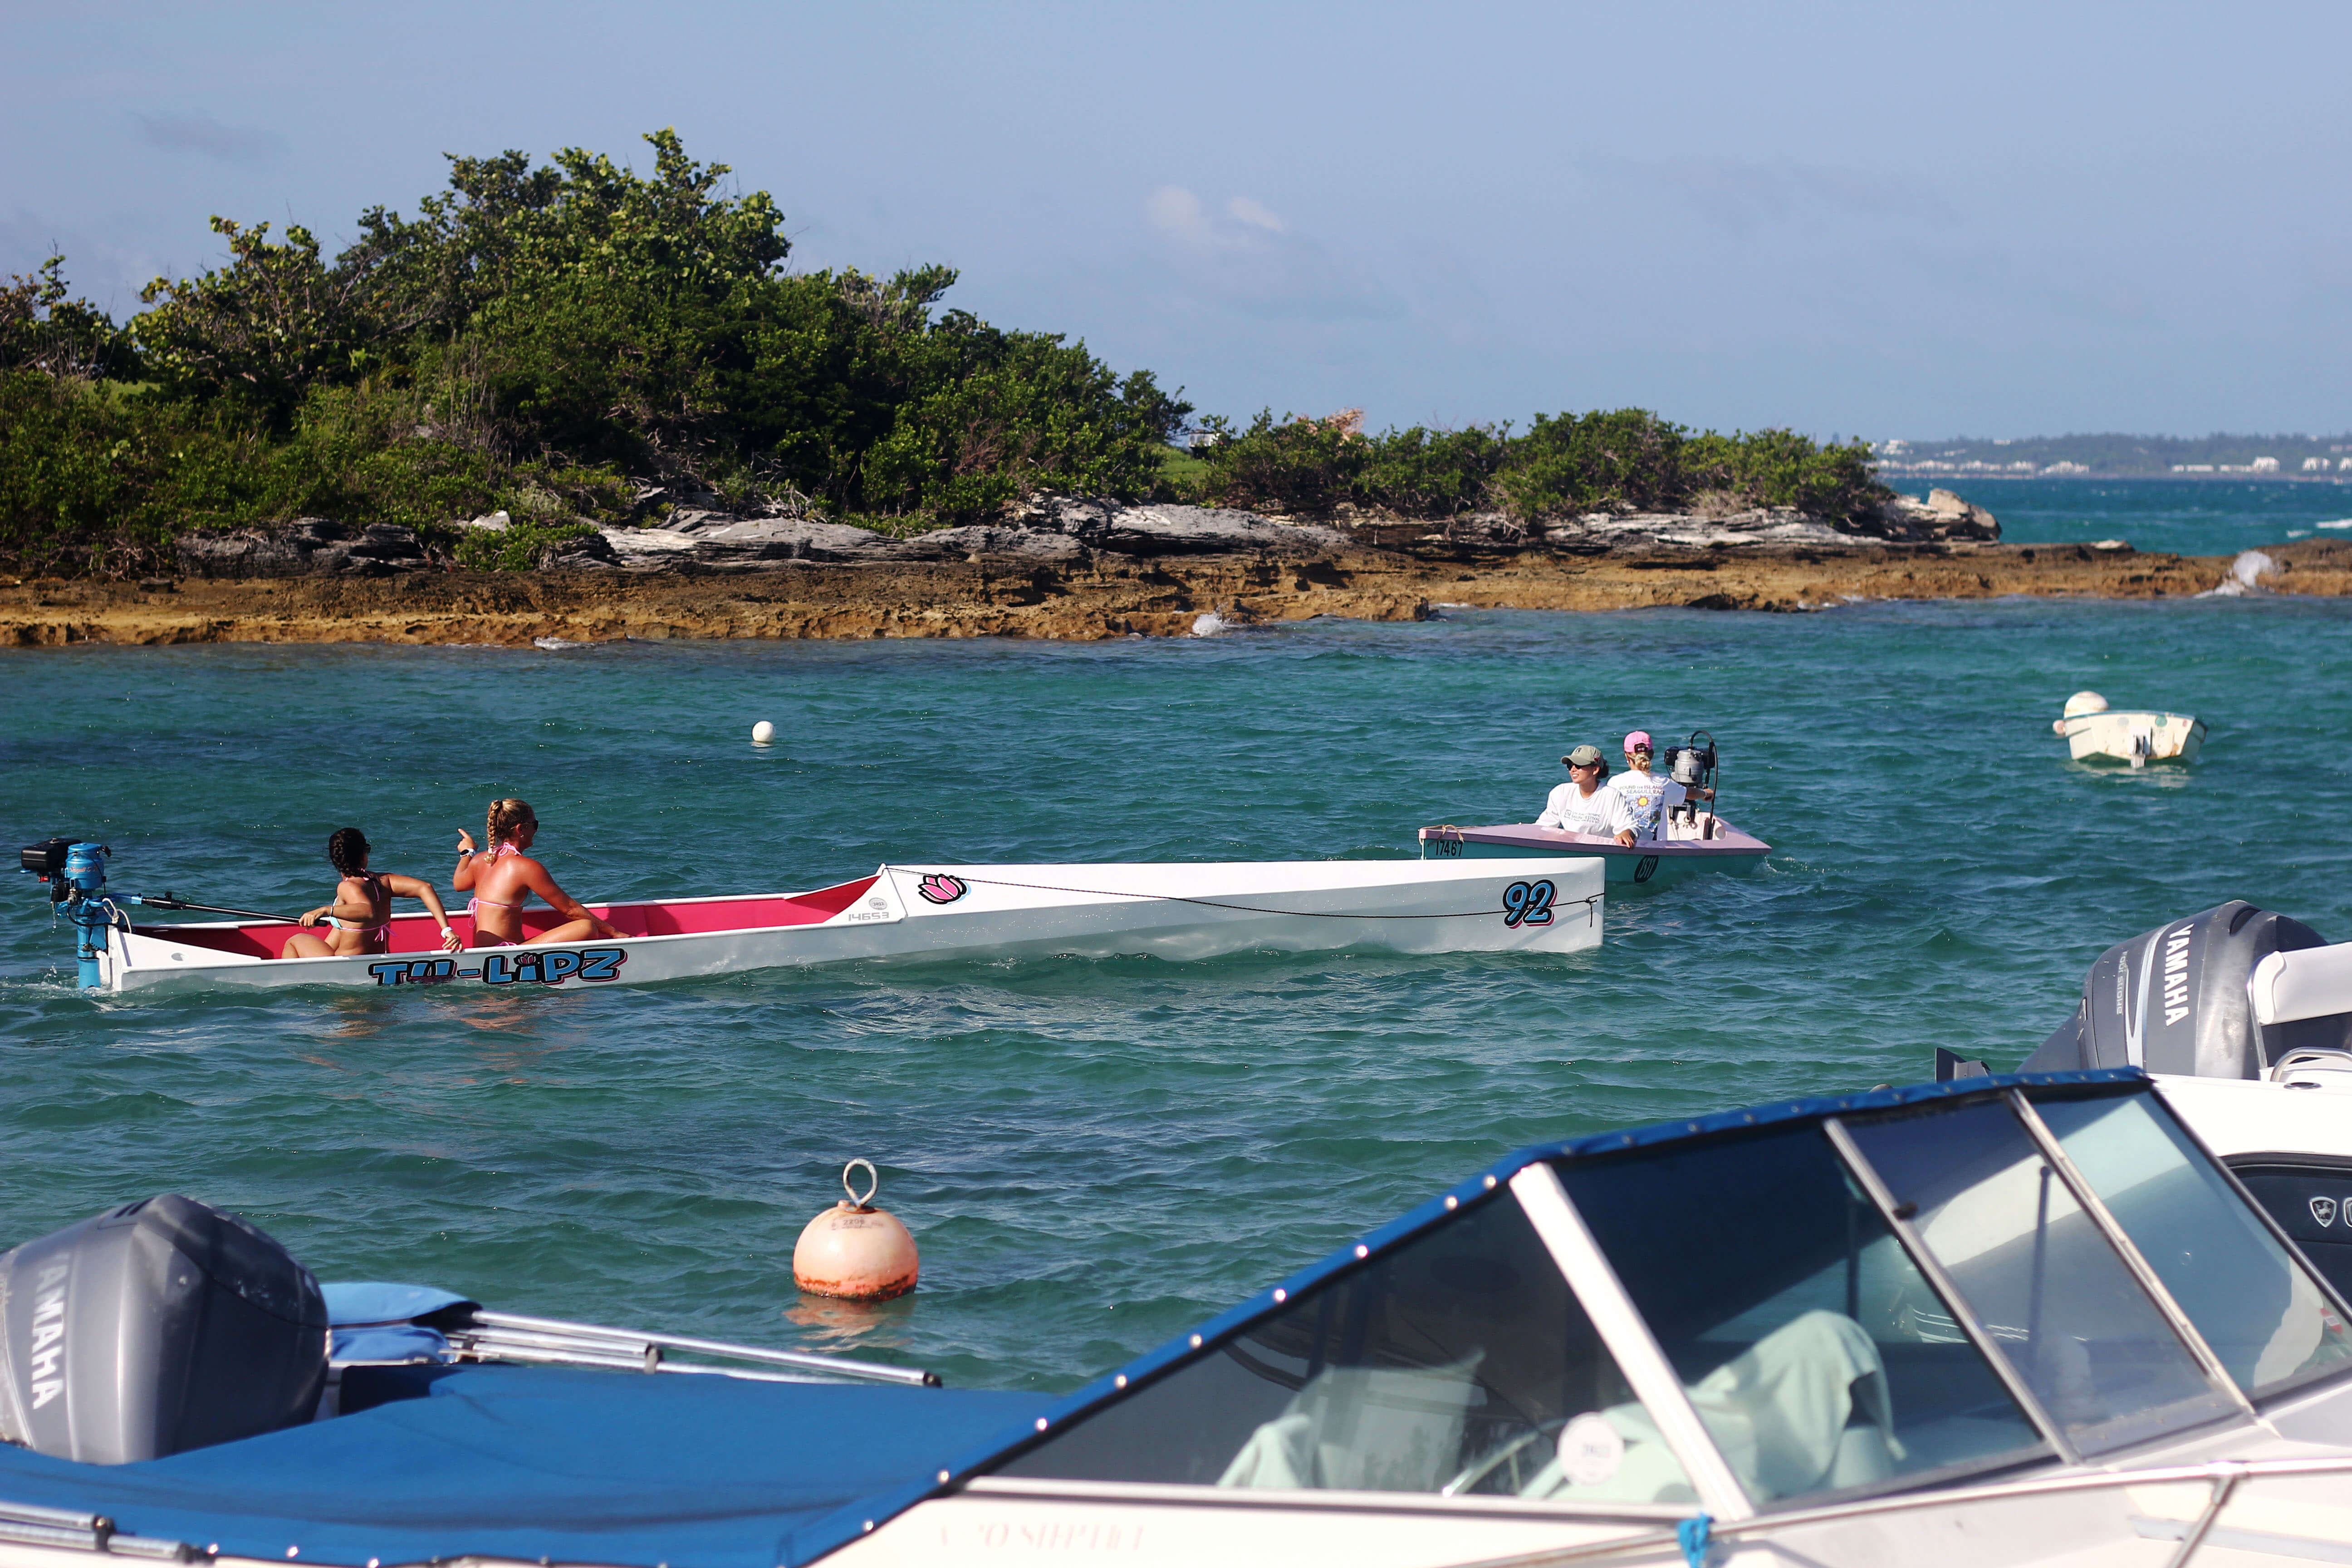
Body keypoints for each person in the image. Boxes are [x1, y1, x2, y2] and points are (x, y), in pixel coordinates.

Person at [453, 797, 622, 948]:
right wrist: (615, 933)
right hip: (507, 951)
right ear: (521, 829)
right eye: (535, 825)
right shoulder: (526, 867)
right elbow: (570, 909)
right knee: (587, 927)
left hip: (484, 950)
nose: (536, 831)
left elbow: (459, 885)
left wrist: (467, 853)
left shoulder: (481, 859)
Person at [282, 828, 463, 958]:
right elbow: (426, 888)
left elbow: (367, 911)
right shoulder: (384, 882)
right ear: (363, 855)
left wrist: (324, 911)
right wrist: (447, 930)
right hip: (376, 962)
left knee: (295, 940)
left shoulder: (346, 888)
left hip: (348, 967)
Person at [1537, 745, 1637, 845]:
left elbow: (1629, 826)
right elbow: (1543, 827)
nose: (1573, 769)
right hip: (1571, 848)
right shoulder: (1560, 792)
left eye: (1578, 766)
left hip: (1601, 850)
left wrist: (1626, 833)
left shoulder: (1612, 796)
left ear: (1595, 770)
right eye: (1570, 766)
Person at [1605, 730, 1686, 841]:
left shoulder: (1614, 783)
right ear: (1651, 754)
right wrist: (1706, 793)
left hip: (1623, 845)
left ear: (1627, 756)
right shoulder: (1663, 783)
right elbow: (1688, 793)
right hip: (1656, 849)